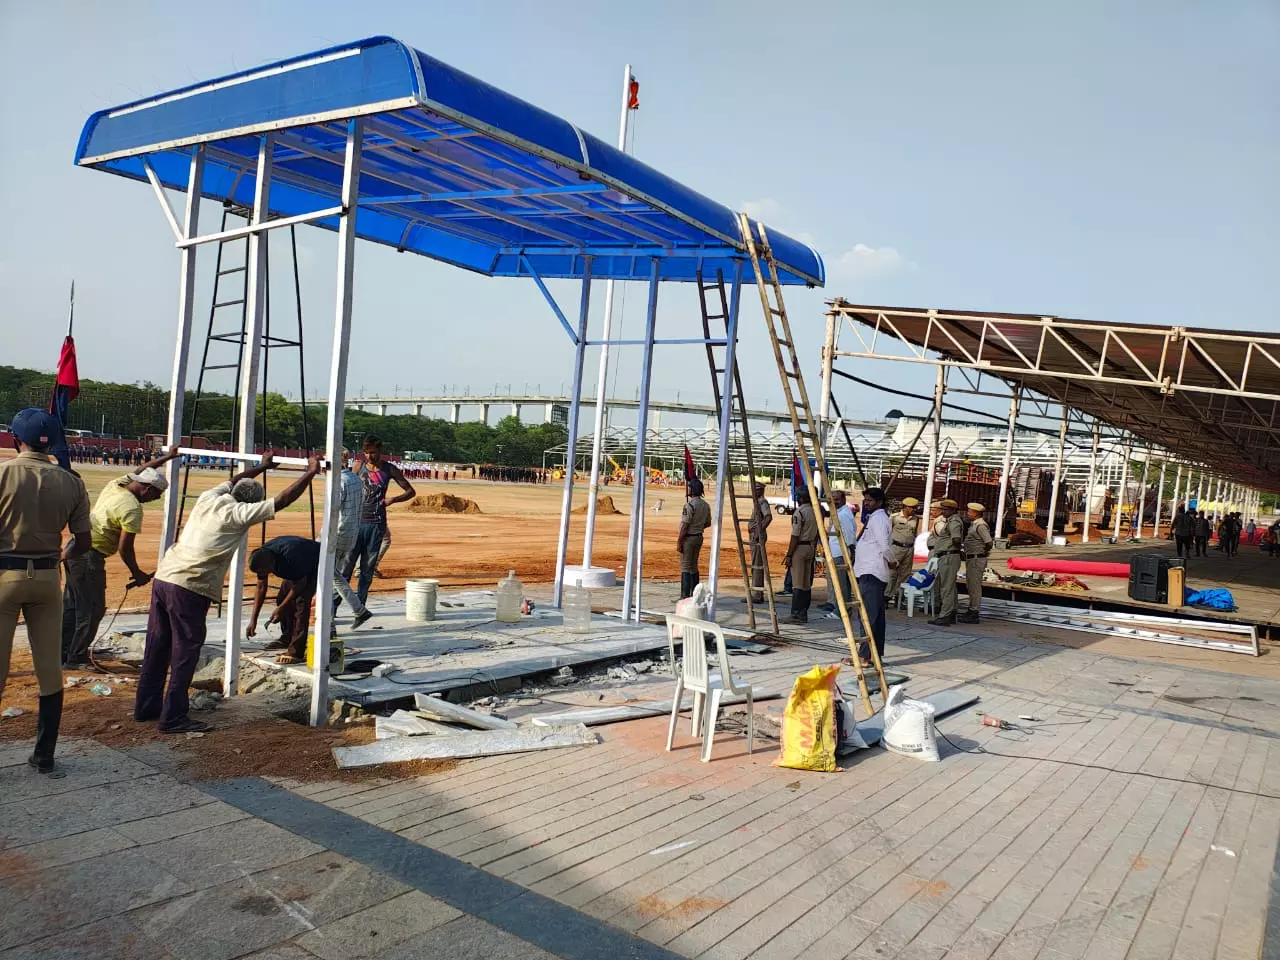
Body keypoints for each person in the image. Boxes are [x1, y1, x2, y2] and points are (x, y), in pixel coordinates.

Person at [134, 453, 321, 734]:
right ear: (252, 503)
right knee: (185, 651)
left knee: (157, 646)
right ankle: (173, 717)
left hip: (165, 577)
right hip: (190, 586)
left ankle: (146, 707)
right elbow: (281, 501)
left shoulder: (209, 497)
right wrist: (309, 473)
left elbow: (233, 481)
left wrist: (262, 466)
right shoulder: (238, 515)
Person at [0, 410, 92, 775]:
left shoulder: (4, 473)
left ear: (13, 438)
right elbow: (82, 540)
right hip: (46, 576)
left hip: (4, 573)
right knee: (50, 670)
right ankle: (44, 753)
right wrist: (60, 557)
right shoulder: (71, 481)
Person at [61, 445, 181, 667]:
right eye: (156, 495)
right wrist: (137, 573)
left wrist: (167, 458)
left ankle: (63, 652)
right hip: (89, 557)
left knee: (72, 605)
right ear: (147, 489)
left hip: (74, 549)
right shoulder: (133, 509)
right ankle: (75, 657)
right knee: (92, 609)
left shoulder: (115, 485)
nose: (154, 499)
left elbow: (143, 468)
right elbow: (126, 548)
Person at [343, 437, 415, 604]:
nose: (369, 456)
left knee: (367, 570)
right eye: (366, 452)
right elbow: (348, 486)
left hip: (376, 524)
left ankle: (360, 606)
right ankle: (334, 607)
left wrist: (393, 499)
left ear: (380, 451)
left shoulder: (390, 469)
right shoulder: (358, 466)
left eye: (373, 452)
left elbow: (410, 491)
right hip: (356, 522)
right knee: (346, 568)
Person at [247, 535, 321, 665]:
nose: (263, 574)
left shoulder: (289, 557)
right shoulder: (262, 557)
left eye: (265, 571)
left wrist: (281, 608)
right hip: (296, 566)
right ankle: (287, 638)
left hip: (316, 561)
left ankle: (296, 652)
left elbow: (300, 584)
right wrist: (253, 620)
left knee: (301, 604)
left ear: (271, 564)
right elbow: (261, 587)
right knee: (282, 598)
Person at [331, 451, 372, 631]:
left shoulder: (339, 481)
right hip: (351, 534)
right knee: (335, 576)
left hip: (337, 532)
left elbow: (333, 511)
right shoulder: (356, 480)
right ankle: (331, 620)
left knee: (329, 575)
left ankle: (358, 609)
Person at [853, 487, 894, 667]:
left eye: (870, 500)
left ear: (879, 502)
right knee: (874, 616)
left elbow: (884, 546)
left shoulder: (879, 519)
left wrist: (892, 561)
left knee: (868, 616)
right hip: (868, 570)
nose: (866, 503)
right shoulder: (875, 518)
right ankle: (873, 655)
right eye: (865, 500)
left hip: (872, 571)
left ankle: (865, 656)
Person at [783, 487, 820, 623]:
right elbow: (817, 533)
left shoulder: (800, 513)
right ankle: (804, 612)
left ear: (801, 498)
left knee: (797, 583)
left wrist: (789, 555)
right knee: (806, 583)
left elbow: (795, 536)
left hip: (800, 547)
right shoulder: (816, 511)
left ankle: (796, 614)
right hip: (810, 547)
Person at [927, 499, 964, 626]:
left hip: (949, 556)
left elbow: (956, 538)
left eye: (946, 509)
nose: (943, 512)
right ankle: (951, 612)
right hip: (948, 556)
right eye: (942, 509)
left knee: (946, 587)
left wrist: (955, 549)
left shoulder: (954, 521)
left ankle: (945, 615)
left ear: (953, 510)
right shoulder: (950, 521)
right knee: (950, 586)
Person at [822, 489, 858, 612]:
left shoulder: (844, 514)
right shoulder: (839, 513)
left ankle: (841, 611)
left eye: (837, 499)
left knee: (842, 585)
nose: (834, 502)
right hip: (836, 552)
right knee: (840, 583)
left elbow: (850, 536)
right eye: (832, 499)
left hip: (841, 553)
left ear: (843, 500)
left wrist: (851, 552)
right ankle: (841, 609)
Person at [676, 477, 712, 599]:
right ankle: (694, 594)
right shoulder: (705, 505)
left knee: (686, 566)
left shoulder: (689, 506)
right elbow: (708, 523)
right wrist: (698, 526)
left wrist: (679, 541)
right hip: (698, 537)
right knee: (694, 565)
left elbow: (685, 526)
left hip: (689, 538)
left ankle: (685, 596)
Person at [958, 502, 994, 623]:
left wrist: (983, 552)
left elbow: (988, 542)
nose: (968, 513)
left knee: (974, 586)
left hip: (977, 558)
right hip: (972, 558)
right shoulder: (974, 524)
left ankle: (974, 611)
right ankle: (971, 609)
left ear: (976, 513)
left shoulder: (980, 525)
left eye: (970, 511)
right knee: (970, 584)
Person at [886, 497, 920, 607]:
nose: (914, 510)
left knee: (905, 574)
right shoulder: (894, 517)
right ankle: (886, 596)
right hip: (896, 547)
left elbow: (914, 533)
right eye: (911, 508)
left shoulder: (916, 519)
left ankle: (899, 597)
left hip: (909, 548)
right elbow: (887, 532)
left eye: (915, 508)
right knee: (892, 573)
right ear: (905, 507)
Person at [748, 482, 772, 602]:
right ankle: (757, 593)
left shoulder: (762, 502)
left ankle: (757, 595)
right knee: (755, 564)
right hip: (755, 536)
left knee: (757, 565)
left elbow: (768, 517)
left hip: (757, 537)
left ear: (760, 490)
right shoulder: (758, 502)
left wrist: (758, 530)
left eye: (755, 490)